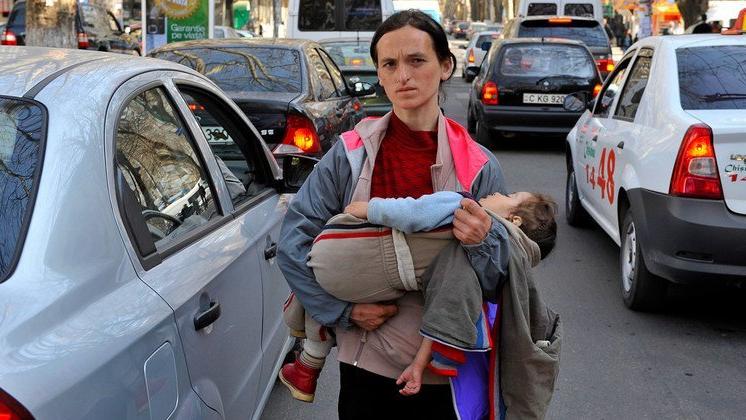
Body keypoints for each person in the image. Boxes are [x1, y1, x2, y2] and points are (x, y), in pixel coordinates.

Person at [277, 9, 510, 419]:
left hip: (447, 376)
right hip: (363, 370)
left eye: (416, 60)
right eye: (389, 64)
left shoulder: (479, 166)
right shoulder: (350, 154)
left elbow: (502, 279)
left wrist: (482, 243)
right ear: (380, 77)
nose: (403, 75)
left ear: (446, 66)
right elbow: (293, 241)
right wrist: (342, 312)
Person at [280, 190, 557, 399]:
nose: (497, 192)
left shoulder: (463, 205)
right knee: (343, 286)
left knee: (315, 279)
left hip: (341, 253)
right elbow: (442, 305)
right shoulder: (489, 262)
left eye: (510, 195)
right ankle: (306, 367)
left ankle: (305, 353)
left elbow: (414, 212)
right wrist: (423, 361)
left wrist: (369, 208)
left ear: (514, 218)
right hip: (376, 278)